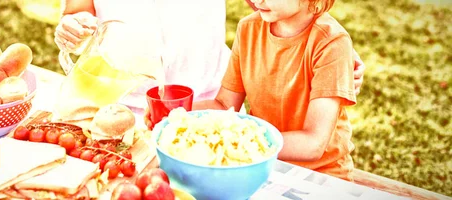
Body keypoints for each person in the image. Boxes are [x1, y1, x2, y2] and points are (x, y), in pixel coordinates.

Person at [54, 0, 366, 116]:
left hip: (207, 104)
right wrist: (72, 26)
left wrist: (330, 48)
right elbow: (78, 9)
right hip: (116, 106)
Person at [159, 0, 358, 181]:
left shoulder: (332, 43)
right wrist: (171, 112)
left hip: (321, 176)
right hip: (261, 168)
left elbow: (313, 143)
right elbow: (224, 104)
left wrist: (243, 141)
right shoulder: (248, 29)